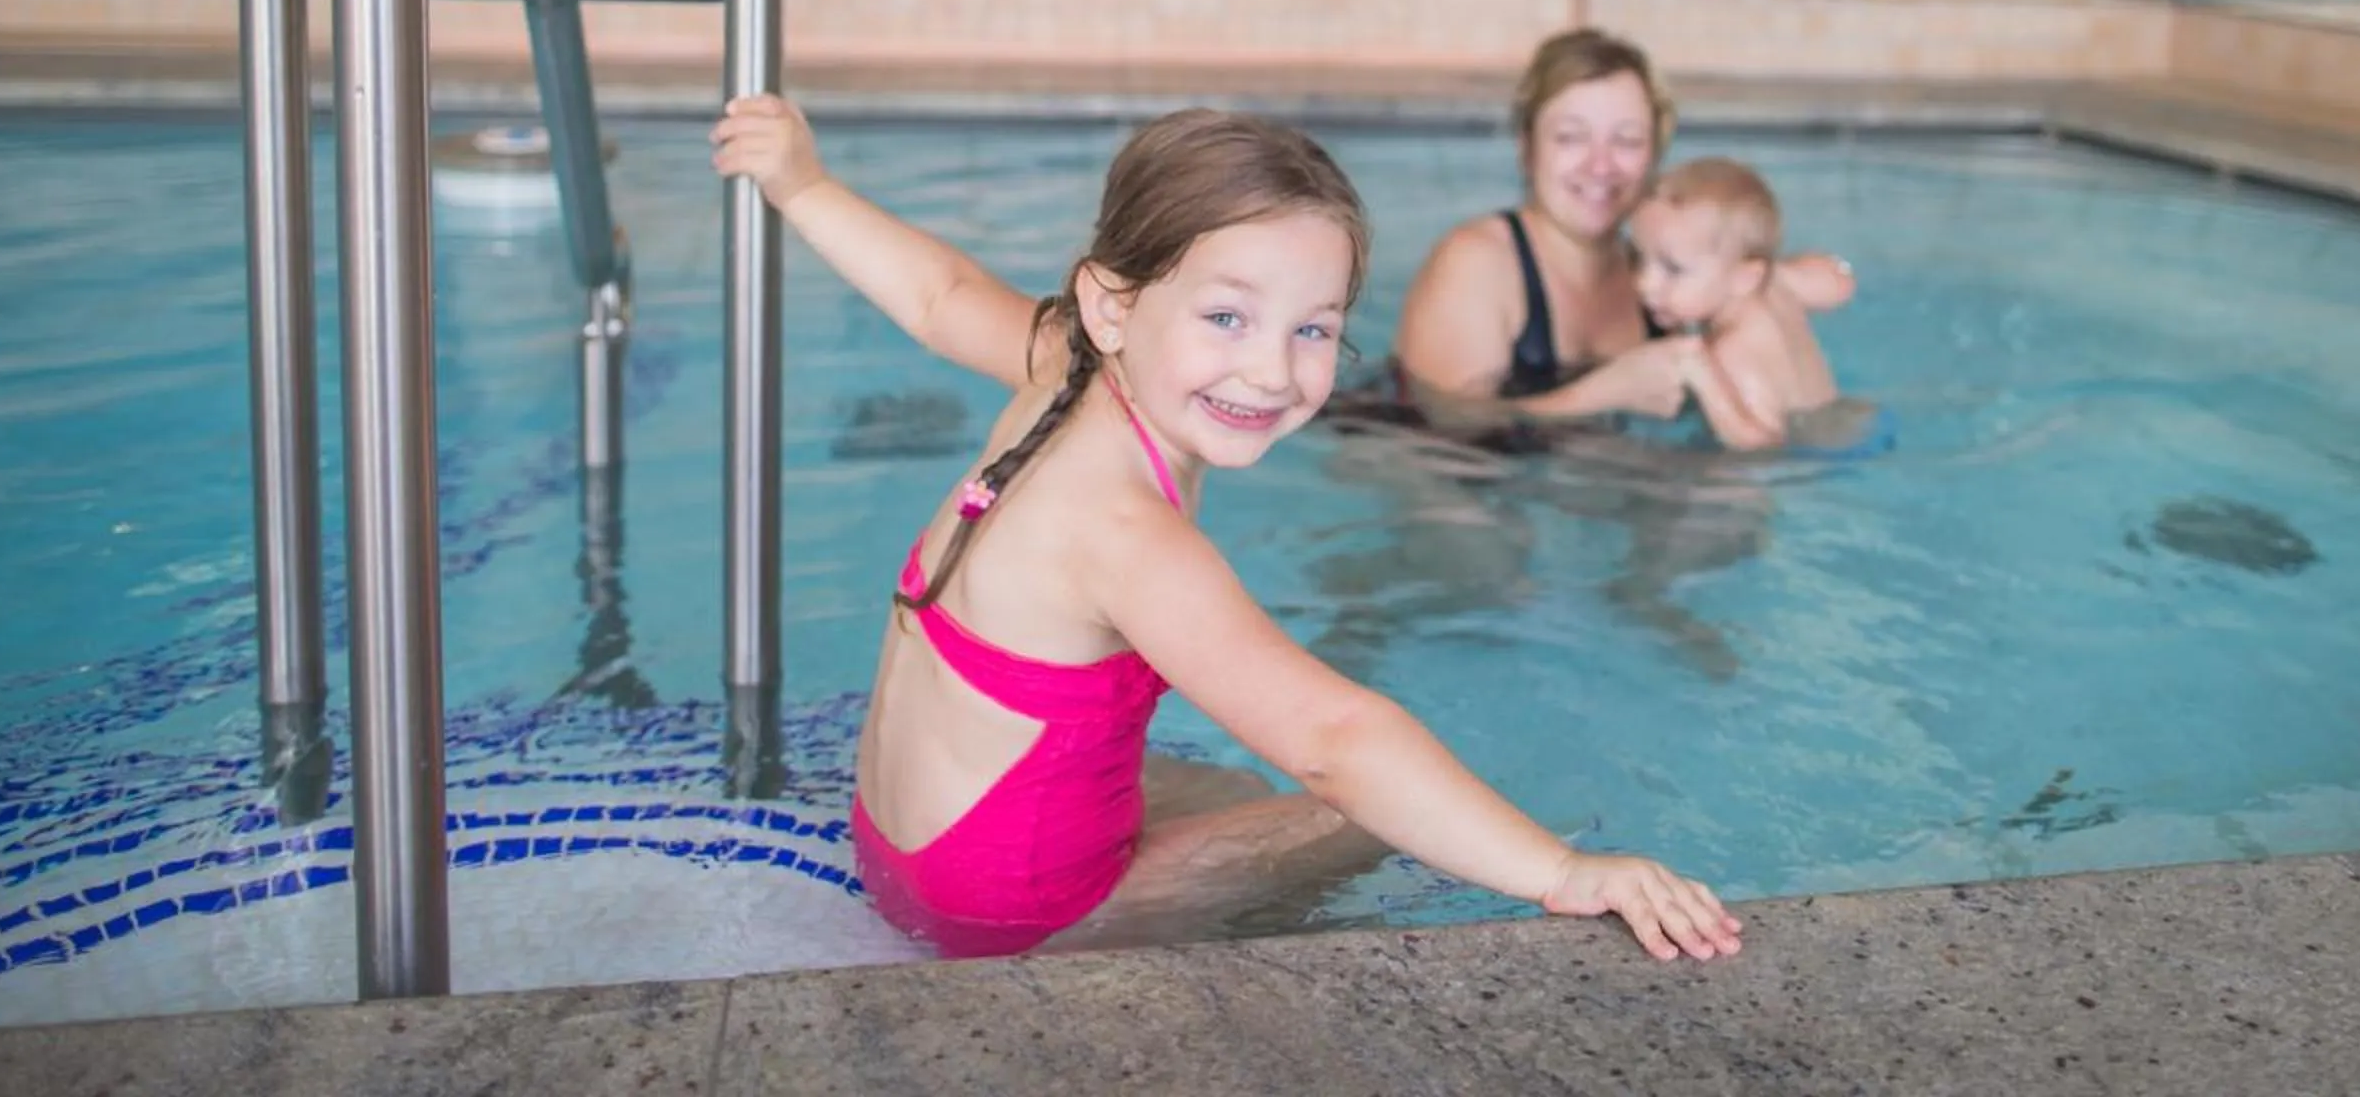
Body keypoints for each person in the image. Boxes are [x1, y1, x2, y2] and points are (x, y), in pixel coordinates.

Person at [709, 95, 1743, 964]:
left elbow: (937, 295)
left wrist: (803, 183)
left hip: (896, 839)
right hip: (1002, 912)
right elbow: (1338, 739)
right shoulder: (1124, 532)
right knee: (1353, 812)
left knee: (1244, 789)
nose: (1272, 370)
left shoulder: (1066, 360)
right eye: (1228, 317)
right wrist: (1563, 870)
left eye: (1314, 328)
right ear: (1113, 304)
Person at [1387, 29, 1853, 431]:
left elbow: (1835, 278)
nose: (1601, 166)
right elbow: (1437, 433)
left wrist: (1766, 278)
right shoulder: (1477, 264)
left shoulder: (1666, 275)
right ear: (1527, 148)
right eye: (1571, 137)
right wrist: (1605, 393)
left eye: (1627, 140)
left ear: (1655, 154)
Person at [1627, 158, 1842, 453]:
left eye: (1673, 269)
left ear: (1745, 277)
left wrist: (1701, 376)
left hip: (1803, 461)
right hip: (1839, 427)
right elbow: (1840, 286)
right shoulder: (1775, 289)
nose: (1644, 283)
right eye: (1640, 258)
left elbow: (1763, 442)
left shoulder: (1731, 350)